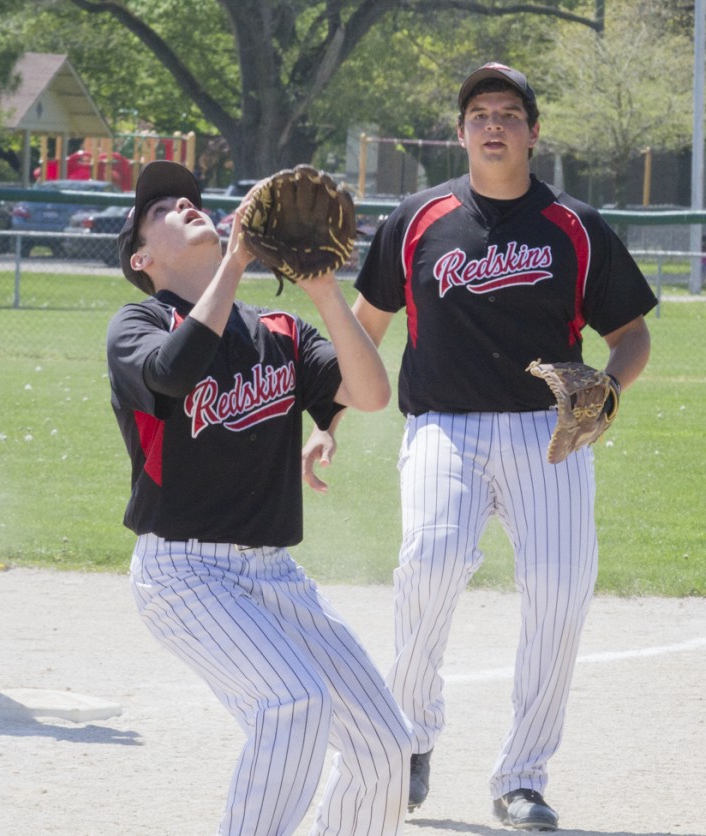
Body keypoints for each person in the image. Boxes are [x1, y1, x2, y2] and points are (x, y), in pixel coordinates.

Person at [303, 63, 656, 831]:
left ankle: (521, 777)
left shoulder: (575, 224)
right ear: (461, 133)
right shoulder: (419, 218)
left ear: (532, 132)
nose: (492, 123)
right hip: (444, 425)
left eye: (508, 112)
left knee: (561, 592)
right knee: (429, 563)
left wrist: (610, 390)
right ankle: (412, 738)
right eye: (478, 113)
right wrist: (325, 419)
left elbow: (631, 335)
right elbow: (364, 332)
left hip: (548, 435)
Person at [107, 159, 412, 836]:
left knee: (386, 746)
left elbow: (369, 394)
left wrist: (327, 293)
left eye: (191, 199)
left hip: (273, 573)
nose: (185, 205)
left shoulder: (278, 330)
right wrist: (239, 258)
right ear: (142, 256)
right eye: (163, 209)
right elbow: (175, 373)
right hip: (186, 574)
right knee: (293, 703)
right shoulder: (137, 325)